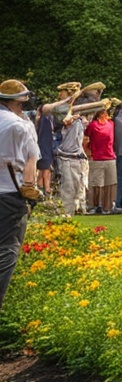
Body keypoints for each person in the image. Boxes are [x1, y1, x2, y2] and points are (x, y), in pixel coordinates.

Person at [0, 80, 43, 309]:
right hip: (9, 192)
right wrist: (30, 189)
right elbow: (31, 162)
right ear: (18, 102)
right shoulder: (20, 125)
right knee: (7, 250)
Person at [86, 101, 122, 214]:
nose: (106, 114)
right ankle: (96, 205)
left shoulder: (111, 124)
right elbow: (86, 138)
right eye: (103, 112)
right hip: (97, 158)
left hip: (110, 157)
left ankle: (109, 205)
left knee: (110, 183)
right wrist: (89, 152)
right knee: (97, 183)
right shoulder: (93, 125)